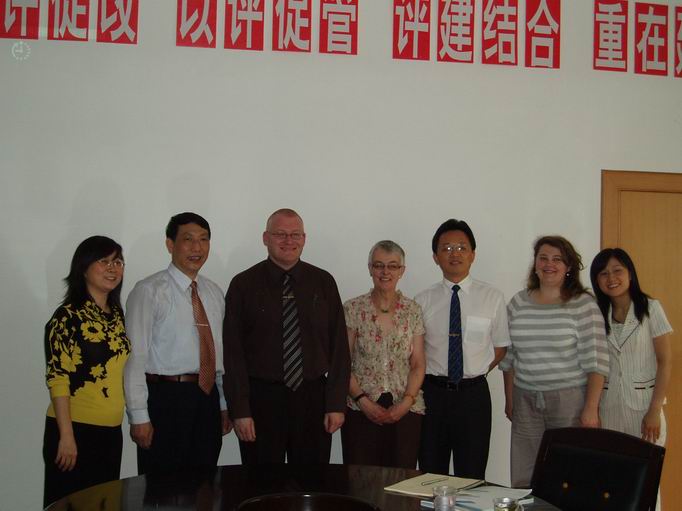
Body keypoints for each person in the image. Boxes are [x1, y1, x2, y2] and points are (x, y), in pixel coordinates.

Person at [223, 208, 350, 465]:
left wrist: (336, 403)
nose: (288, 241)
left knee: (312, 481)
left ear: (304, 239)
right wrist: (240, 410)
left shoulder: (323, 282)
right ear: (265, 238)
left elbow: (339, 349)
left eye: (295, 234)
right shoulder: (243, 285)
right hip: (260, 400)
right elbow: (232, 354)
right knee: (261, 481)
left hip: (313, 399)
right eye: (280, 234)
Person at [124, 212, 231, 475]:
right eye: (188, 239)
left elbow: (218, 353)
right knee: (162, 486)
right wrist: (139, 415)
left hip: (206, 399)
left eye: (204, 239)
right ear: (170, 245)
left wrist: (223, 404)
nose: (197, 247)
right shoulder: (149, 291)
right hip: (166, 399)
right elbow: (135, 358)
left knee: (205, 483)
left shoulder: (214, 292)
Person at [500, 235, 609, 487]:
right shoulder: (518, 302)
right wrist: (510, 399)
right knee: (525, 474)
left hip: (569, 402)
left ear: (568, 266)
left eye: (557, 259)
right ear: (535, 264)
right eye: (543, 258)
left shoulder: (583, 304)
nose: (549, 264)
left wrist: (591, 408)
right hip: (525, 400)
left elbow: (597, 362)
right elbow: (509, 357)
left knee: (568, 474)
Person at [415, 219, 510, 479]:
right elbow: (416, 352)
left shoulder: (492, 297)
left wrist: (475, 371)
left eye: (461, 247)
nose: (454, 254)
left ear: (472, 254)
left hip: (473, 397)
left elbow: (500, 347)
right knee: (430, 475)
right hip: (432, 395)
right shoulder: (422, 300)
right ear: (435, 257)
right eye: (446, 248)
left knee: (472, 475)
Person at [43, 236, 130, 507]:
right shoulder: (67, 317)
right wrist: (66, 436)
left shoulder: (116, 315)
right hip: (74, 431)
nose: (112, 268)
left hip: (111, 432)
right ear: (83, 268)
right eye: (103, 261)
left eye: (118, 262)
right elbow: (58, 378)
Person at [341, 240, 426, 468]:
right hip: (360, 407)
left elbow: (418, 363)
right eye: (379, 265)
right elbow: (342, 362)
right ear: (370, 269)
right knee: (362, 480)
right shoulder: (353, 308)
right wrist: (362, 401)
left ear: (402, 271)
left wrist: (406, 402)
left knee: (401, 480)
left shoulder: (412, 310)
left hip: (405, 407)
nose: (385, 272)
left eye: (392, 266)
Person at [590, 248, 673, 445]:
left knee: (646, 463)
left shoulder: (651, 308)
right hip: (608, 408)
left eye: (617, 270)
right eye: (603, 273)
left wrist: (654, 410)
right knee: (611, 463)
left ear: (630, 273)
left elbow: (665, 361)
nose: (611, 278)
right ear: (597, 281)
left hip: (644, 408)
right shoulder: (596, 313)